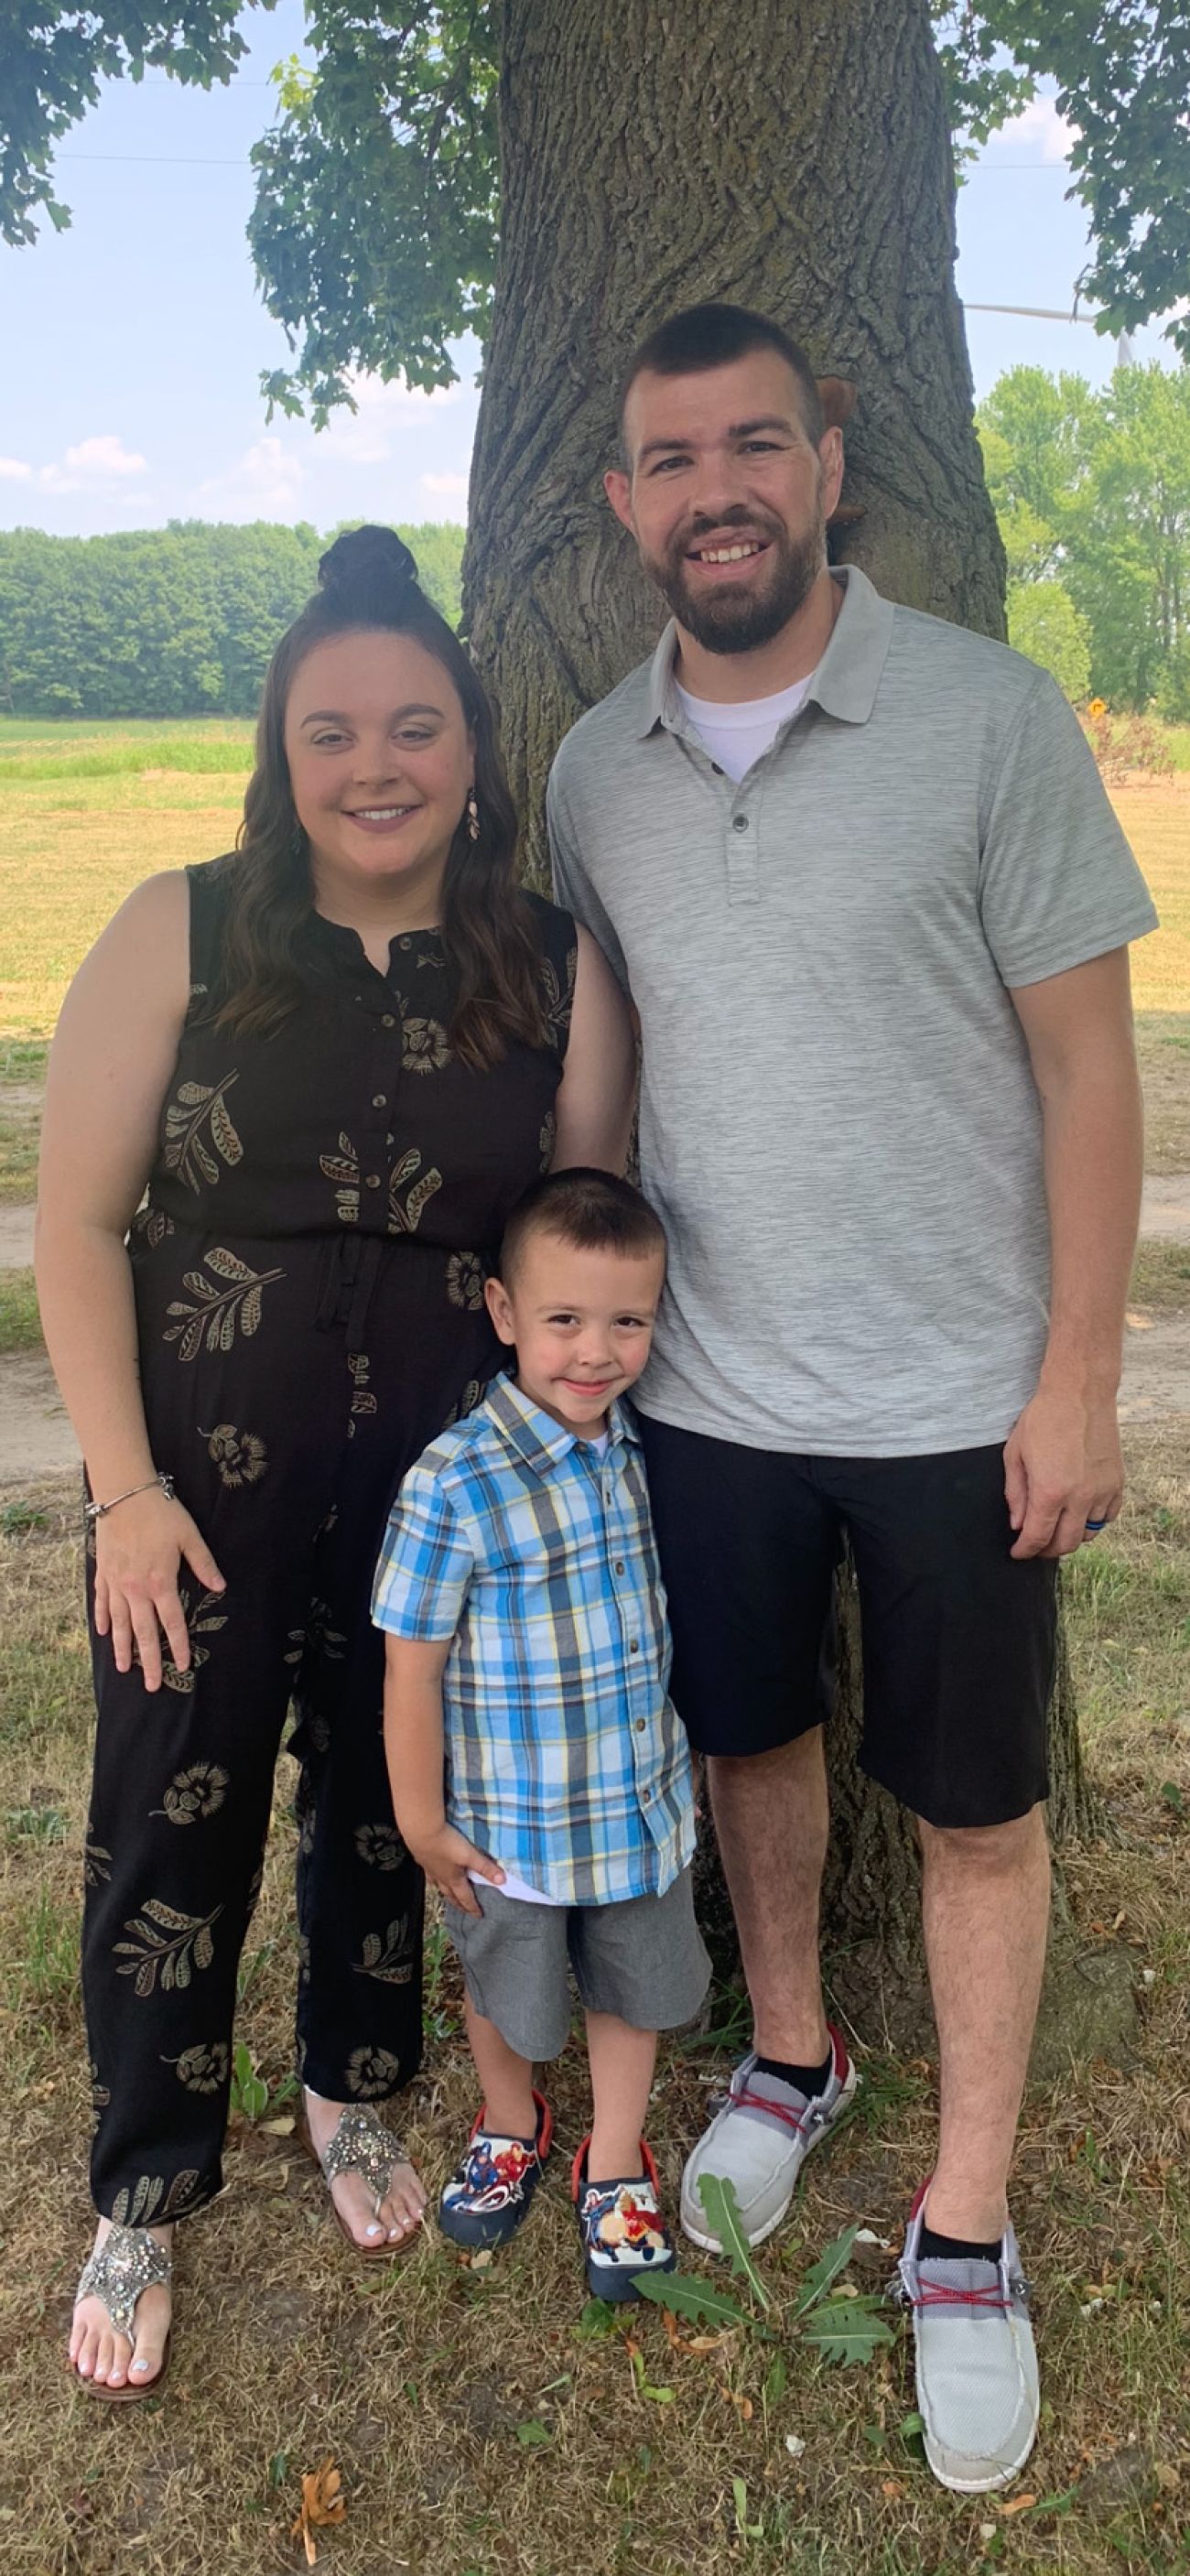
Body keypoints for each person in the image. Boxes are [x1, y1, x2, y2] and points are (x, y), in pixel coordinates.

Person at [547, 304, 1158, 2490]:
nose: (710, 488)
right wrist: (569, 1317)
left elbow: (1090, 1068)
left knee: (975, 1805)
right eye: (665, 456)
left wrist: (1074, 1378)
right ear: (620, 505)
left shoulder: (984, 721)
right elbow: (604, 1058)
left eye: (750, 445)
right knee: (749, 1740)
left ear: (824, 465)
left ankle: (966, 2228)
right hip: (703, 1389)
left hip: (952, 1395)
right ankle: (788, 2054)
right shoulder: (590, 765)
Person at [36, 527, 635, 2397]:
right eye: (330, 732)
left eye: (412, 725)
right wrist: (123, 1495)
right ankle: (144, 2183)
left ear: (470, 749)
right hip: (194, 1495)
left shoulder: (551, 963)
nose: (375, 765)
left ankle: (355, 2092)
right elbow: (72, 1228)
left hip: (445, 1491)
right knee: (174, 1813)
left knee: (393, 1810)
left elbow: (584, 1227)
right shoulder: (184, 927)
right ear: (279, 757)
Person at [373, 1169, 709, 2300]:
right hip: (509, 1827)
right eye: (563, 1319)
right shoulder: (451, 1482)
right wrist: (422, 1819)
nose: (595, 1351)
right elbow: (409, 1672)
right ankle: (510, 2121)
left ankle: (614, 2158)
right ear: (505, 1313)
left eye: (627, 1321)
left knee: (629, 1985)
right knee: (501, 1982)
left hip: (634, 1807)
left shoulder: (647, 1455)